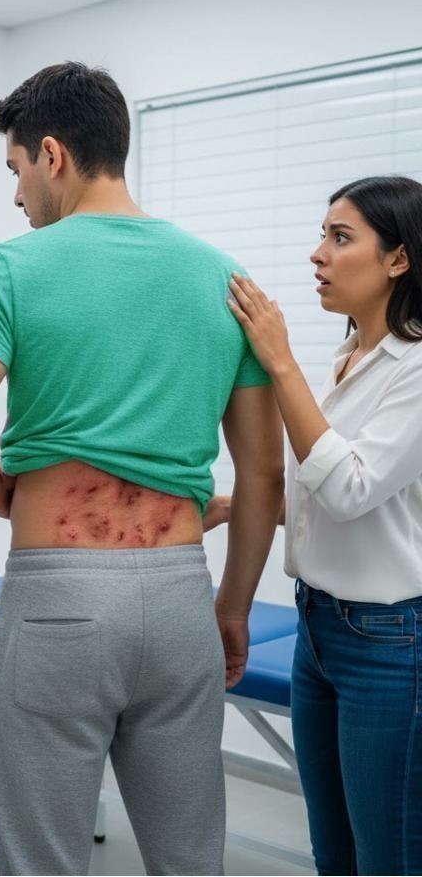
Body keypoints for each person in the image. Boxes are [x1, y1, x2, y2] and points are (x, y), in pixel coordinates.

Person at [0, 62, 284, 876]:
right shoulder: (225, 279)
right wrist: (231, 609)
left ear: (52, 154)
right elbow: (263, 482)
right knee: (190, 859)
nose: (17, 199)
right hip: (184, 593)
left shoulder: (9, 270)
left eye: (15, 171)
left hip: (58, 602)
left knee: (45, 860)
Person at [227, 175, 422, 875]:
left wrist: (278, 361)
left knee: (388, 860)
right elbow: (333, 502)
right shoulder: (351, 359)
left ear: (398, 259)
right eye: (321, 234)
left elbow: (349, 489)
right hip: (318, 628)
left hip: (389, 642)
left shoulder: (418, 367)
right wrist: (239, 507)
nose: (317, 254)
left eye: (340, 238)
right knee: (332, 854)